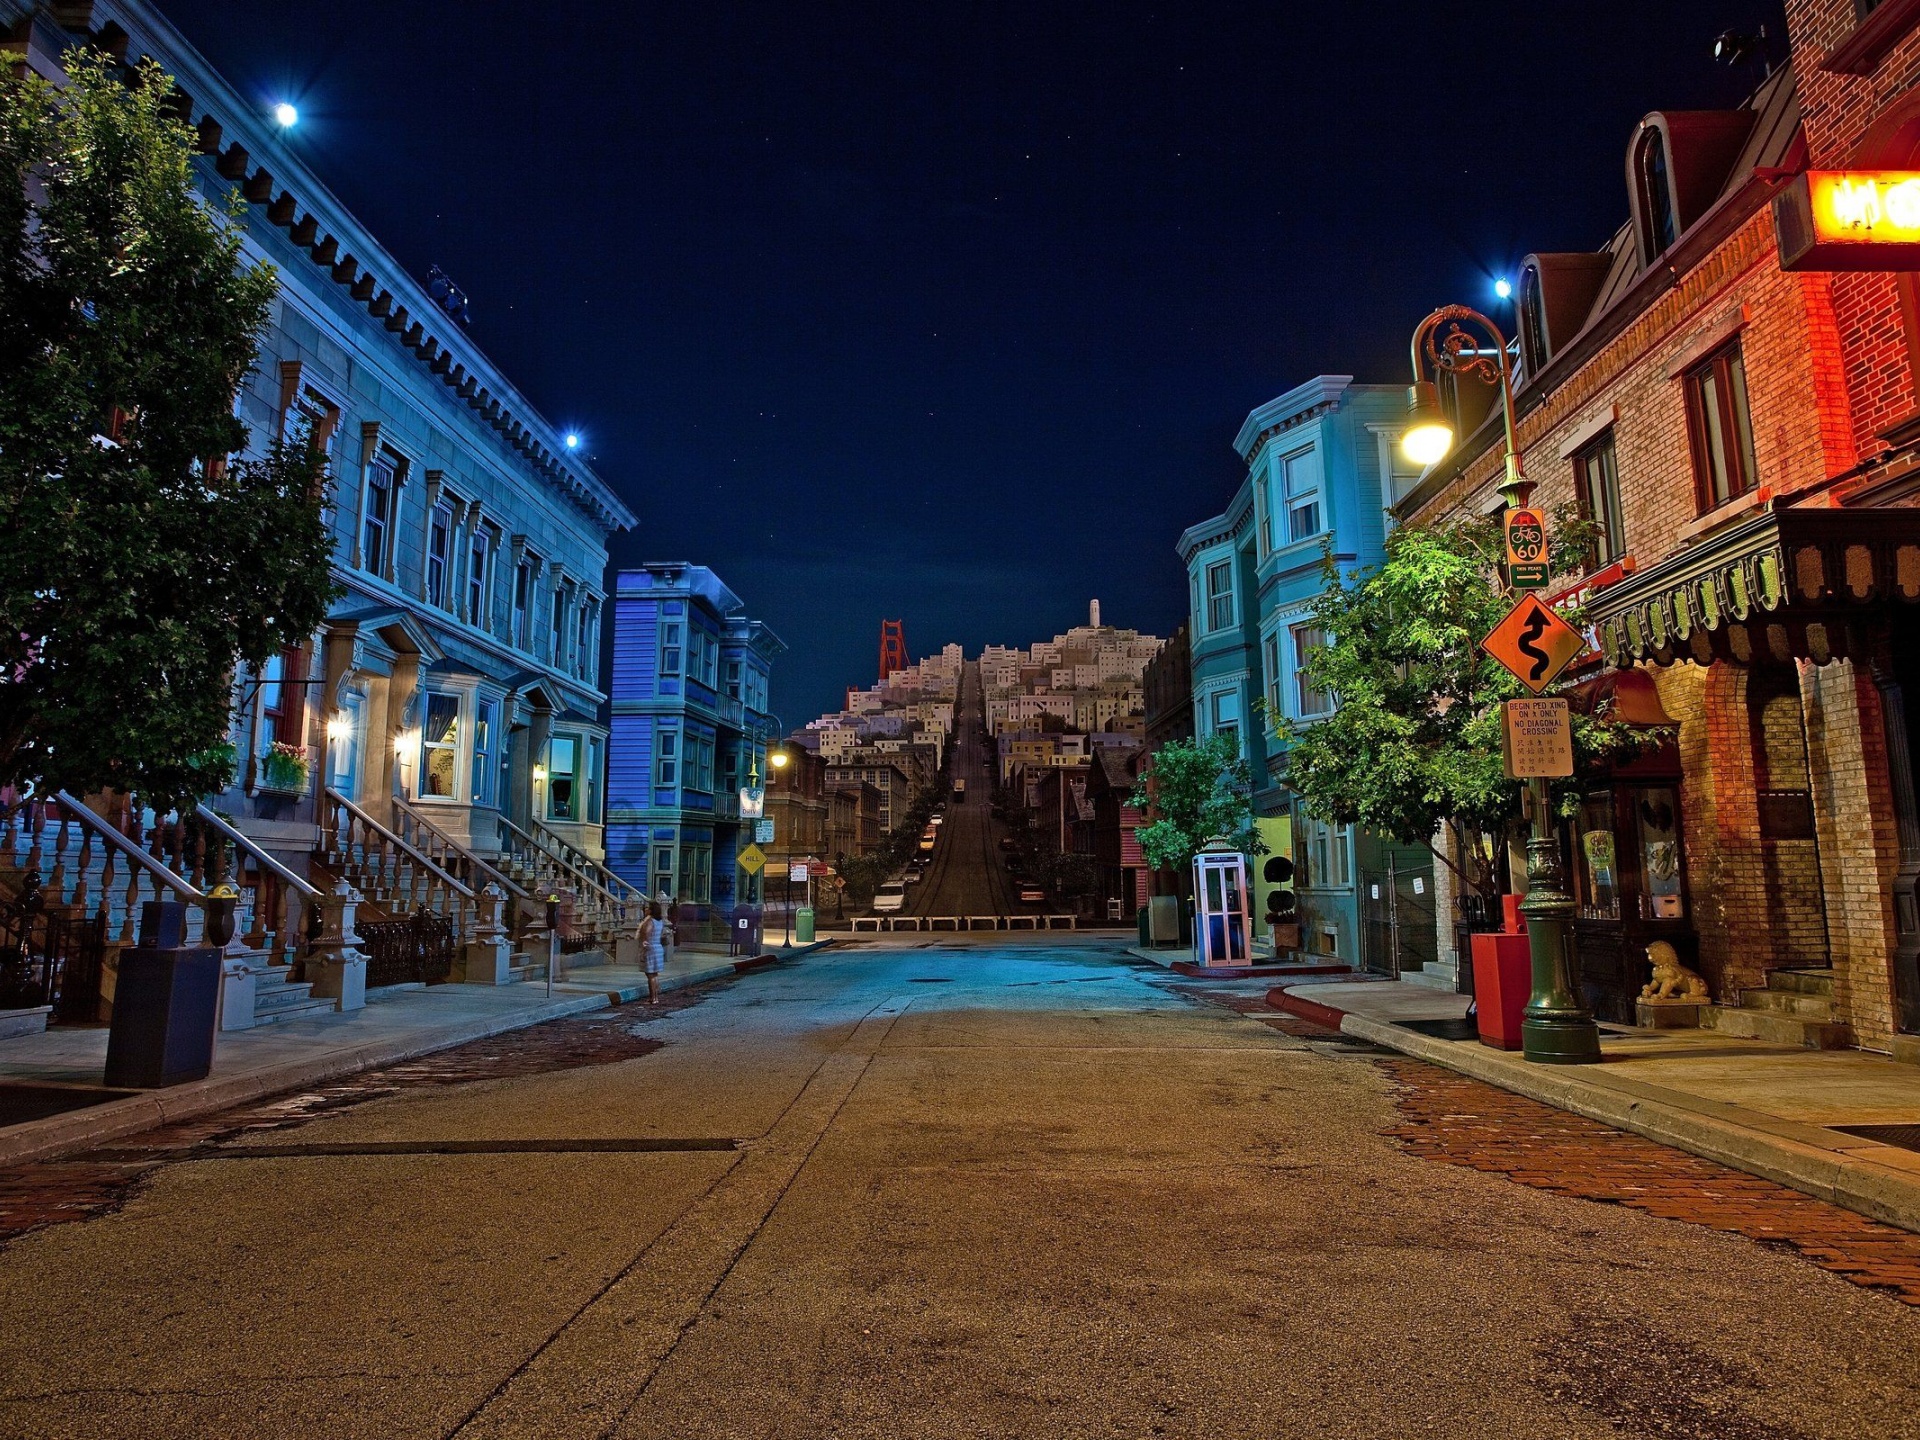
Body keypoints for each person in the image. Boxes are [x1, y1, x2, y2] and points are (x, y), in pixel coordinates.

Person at [638, 900, 666, 1004]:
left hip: (651, 948)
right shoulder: (660, 921)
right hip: (658, 947)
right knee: (655, 974)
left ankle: (653, 998)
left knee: (650, 975)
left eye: (648, 908)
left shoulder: (650, 921)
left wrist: (644, 943)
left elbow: (647, 933)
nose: (646, 910)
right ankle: (656, 997)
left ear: (651, 910)